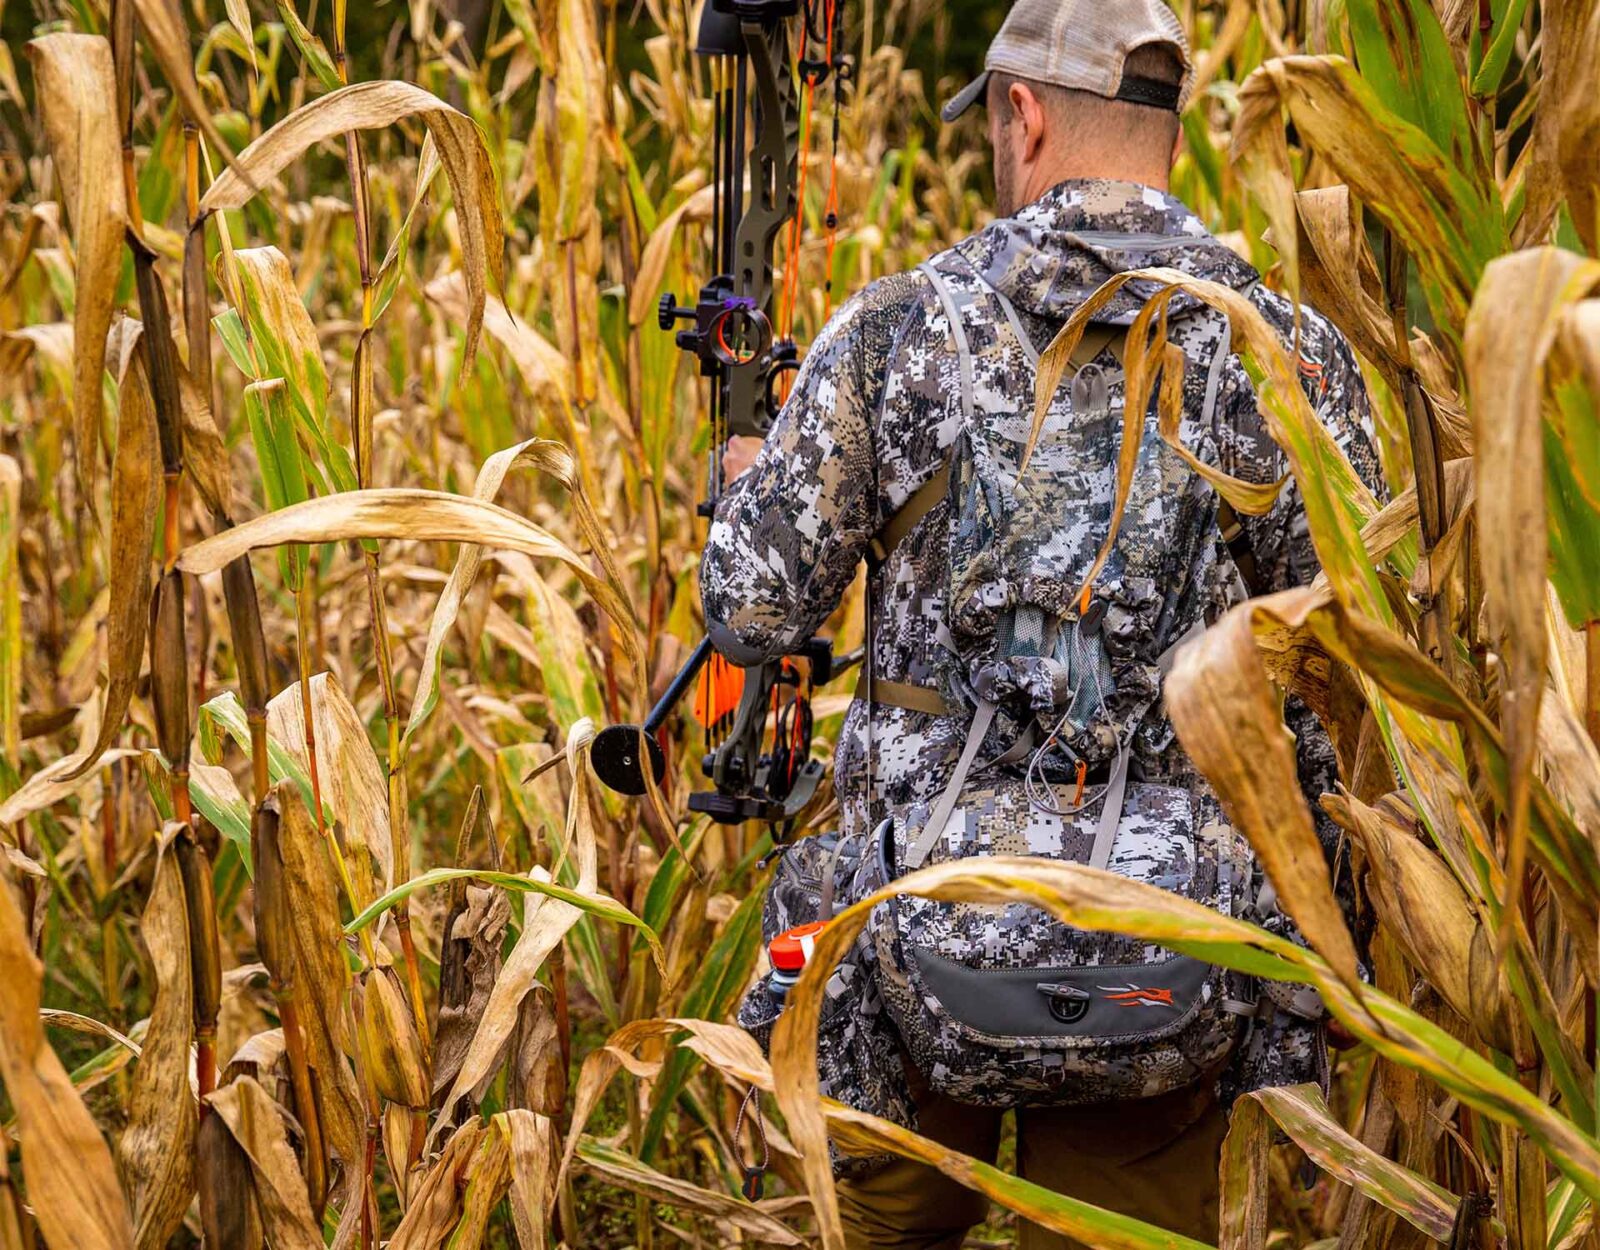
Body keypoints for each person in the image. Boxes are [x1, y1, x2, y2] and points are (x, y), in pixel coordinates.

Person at [702, 2, 1383, 1247]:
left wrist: (750, 471)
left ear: (1022, 113)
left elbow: (749, 611)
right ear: (1163, 126)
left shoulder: (896, 335)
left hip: (904, 961)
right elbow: (1370, 656)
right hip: (1174, 976)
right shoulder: (1289, 355)